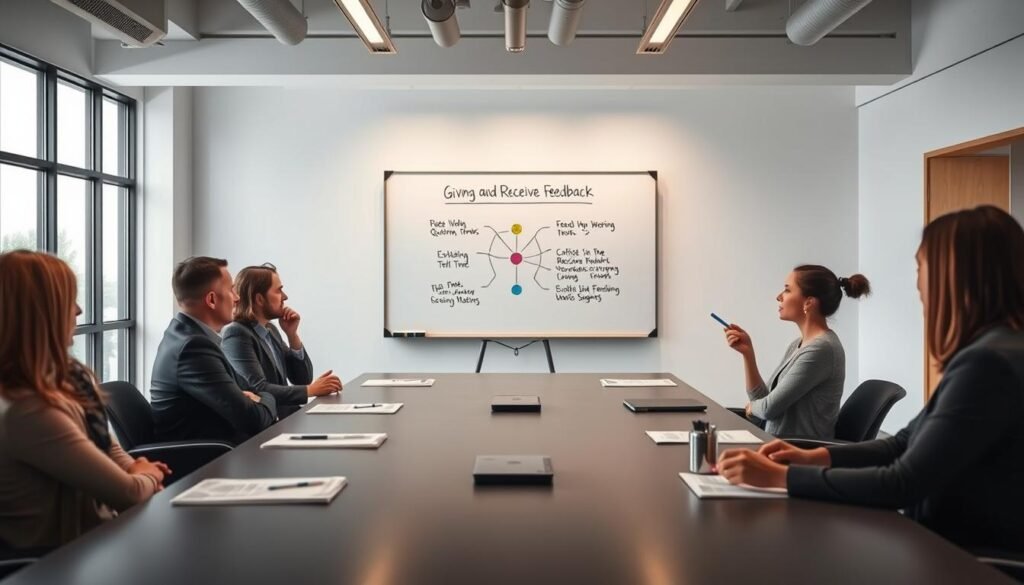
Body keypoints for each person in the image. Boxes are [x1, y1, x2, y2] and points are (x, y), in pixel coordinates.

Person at [718, 206, 1024, 551]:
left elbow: (902, 482)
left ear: (955, 275)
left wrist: (782, 477)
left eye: (921, 268)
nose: (919, 283)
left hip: (960, 559)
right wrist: (814, 457)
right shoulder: (993, 351)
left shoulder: (988, 365)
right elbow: (903, 443)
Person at [0, 251, 167, 550]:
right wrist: (145, 475)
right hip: (64, 563)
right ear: (42, 314)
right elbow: (127, 494)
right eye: (69, 301)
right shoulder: (27, 412)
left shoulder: (70, 379)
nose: (78, 311)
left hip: (99, 543)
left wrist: (134, 467)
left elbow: (106, 446)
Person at [722, 265, 870, 438]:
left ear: (808, 302)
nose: (779, 297)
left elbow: (767, 409)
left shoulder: (822, 350)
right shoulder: (799, 344)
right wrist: (748, 354)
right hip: (777, 444)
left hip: (794, 452)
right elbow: (764, 401)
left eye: (787, 290)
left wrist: (752, 408)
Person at [150, 256, 278, 445]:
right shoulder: (193, 348)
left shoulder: (184, 335)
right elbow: (253, 419)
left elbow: (247, 392)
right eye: (231, 289)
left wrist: (254, 397)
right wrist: (267, 397)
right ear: (211, 299)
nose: (237, 297)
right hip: (209, 459)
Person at [222, 263, 341, 418]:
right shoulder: (236, 333)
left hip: (288, 418)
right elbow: (259, 388)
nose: (285, 297)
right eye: (278, 291)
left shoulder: (270, 330)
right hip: (267, 426)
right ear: (259, 299)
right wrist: (310, 390)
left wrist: (292, 335)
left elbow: (302, 379)